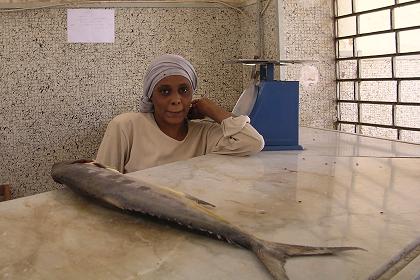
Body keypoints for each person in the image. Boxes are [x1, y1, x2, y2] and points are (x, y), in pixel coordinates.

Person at [96, 54, 264, 173]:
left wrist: (212, 110)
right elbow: (101, 179)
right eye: (164, 91)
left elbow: (253, 142)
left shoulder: (204, 133)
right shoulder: (126, 126)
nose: (176, 100)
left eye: (184, 90)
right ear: (150, 96)